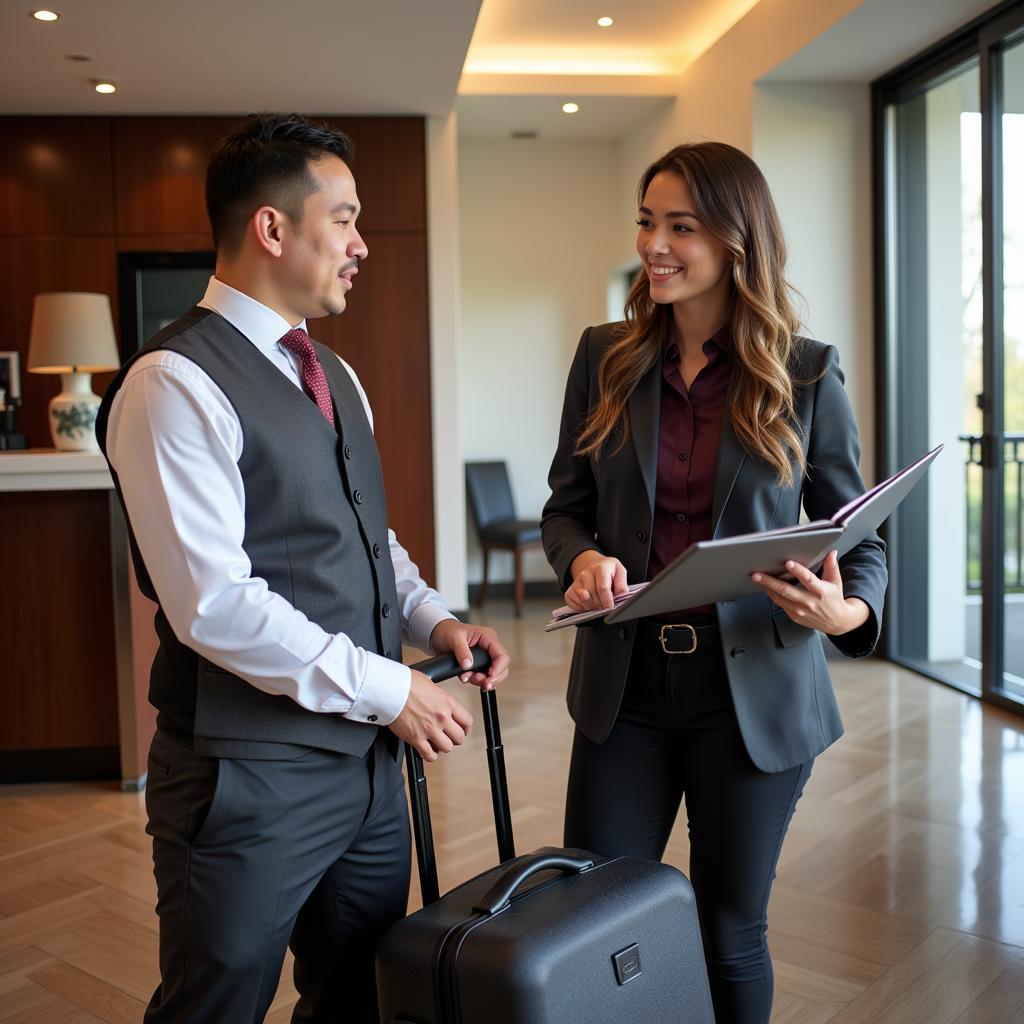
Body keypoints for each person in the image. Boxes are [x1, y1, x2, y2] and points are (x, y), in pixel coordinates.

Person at [96, 113, 509, 1024]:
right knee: (216, 1005)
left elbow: (367, 538)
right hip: (246, 775)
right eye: (346, 218)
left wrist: (434, 620)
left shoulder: (337, 375)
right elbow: (213, 604)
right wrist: (390, 689)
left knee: (357, 994)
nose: (362, 244)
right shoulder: (172, 383)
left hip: (364, 769)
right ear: (272, 228)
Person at [542, 141, 886, 1024]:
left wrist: (842, 608)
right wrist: (583, 559)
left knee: (730, 929)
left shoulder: (805, 372)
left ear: (737, 241)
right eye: (647, 221)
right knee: (593, 916)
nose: (654, 244)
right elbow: (565, 508)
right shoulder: (604, 357)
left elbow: (862, 535)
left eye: (680, 227)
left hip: (756, 696)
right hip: (628, 687)